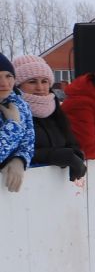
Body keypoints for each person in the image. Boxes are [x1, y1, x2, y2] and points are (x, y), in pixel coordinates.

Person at [12, 54, 86, 184]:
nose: (40, 88)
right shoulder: (10, 113)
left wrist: (75, 154)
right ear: (17, 85)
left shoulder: (55, 111)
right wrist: (56, 155)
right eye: (32, 81)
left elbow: (71, 142)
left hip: (53, 191)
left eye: (44, 81)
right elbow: (10, 153)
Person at [0, 54, 32, 193]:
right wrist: (13, 125)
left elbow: (28, 142)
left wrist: (19, 159)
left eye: (8, 76)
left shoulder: (20, 104)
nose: (4, 83)